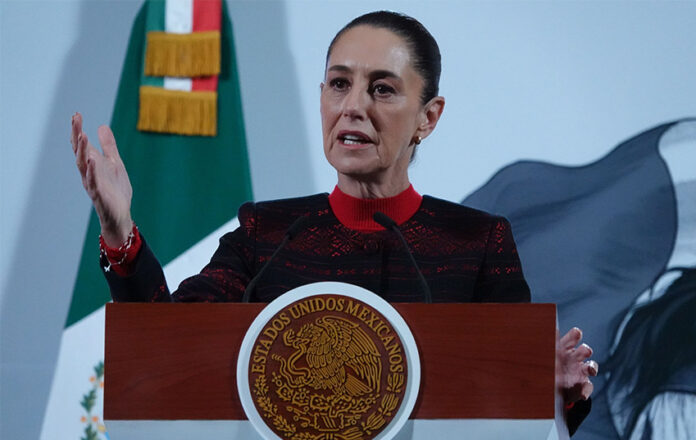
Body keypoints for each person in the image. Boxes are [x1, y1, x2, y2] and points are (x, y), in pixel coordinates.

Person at [71, 10, 596, 433]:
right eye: (339, 84)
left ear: (428, 117)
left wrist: (553, 388)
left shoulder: (477, 242)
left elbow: (514, 403)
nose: (353, 107)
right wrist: (120, 233)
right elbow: (166, 346)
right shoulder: (268, 233)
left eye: (383, 89)